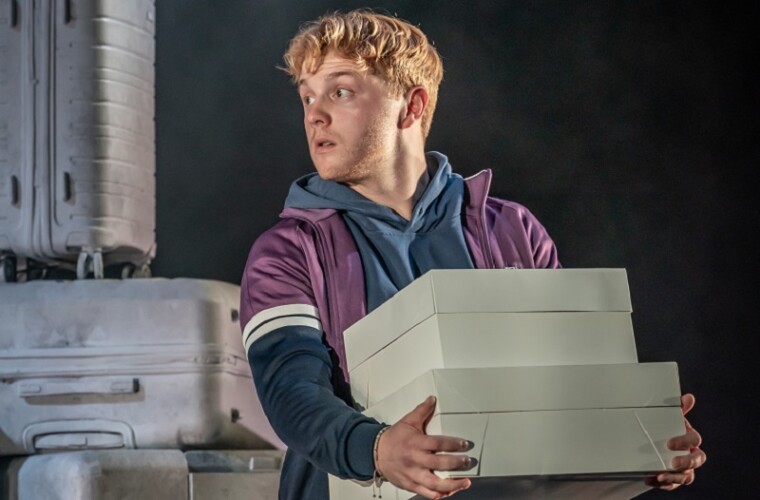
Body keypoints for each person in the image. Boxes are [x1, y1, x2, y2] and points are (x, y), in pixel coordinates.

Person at [239, 9, 706, 500]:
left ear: (411, 106)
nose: (314, 114)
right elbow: (291, 391)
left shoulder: (513, 230)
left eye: (340, 92)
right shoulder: (285, 252)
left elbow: (570, 380)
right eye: (307, 97)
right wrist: (376, 449)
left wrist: (639, 436)